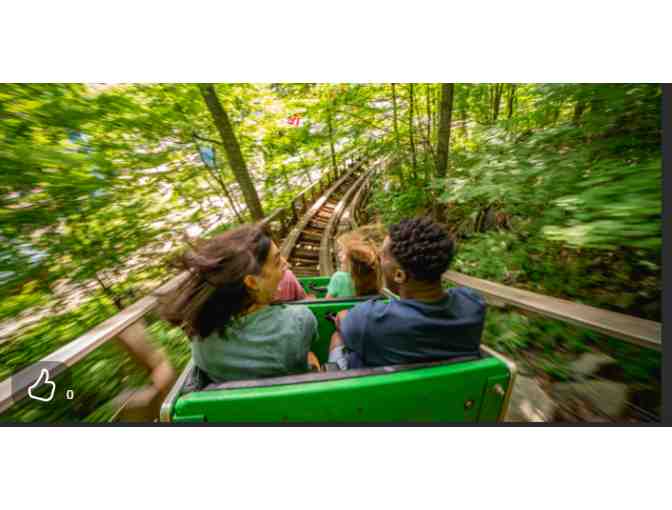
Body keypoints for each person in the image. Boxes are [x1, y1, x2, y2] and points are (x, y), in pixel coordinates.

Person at [159, 224, 320, 382]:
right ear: (252, 282)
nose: (286, 265)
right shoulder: (299, 320)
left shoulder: (199, 340)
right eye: (277, 262)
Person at [327, 217, 486, 369]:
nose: (379, 260)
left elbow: (342, 320)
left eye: (382, 256)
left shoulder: (369, 319)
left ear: (399, 275)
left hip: (381, 384)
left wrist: (343, 316)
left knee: (337, 337)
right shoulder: (473, 305)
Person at [325, 232, 381, 299]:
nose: (339, 255)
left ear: (352, 258)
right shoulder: (374, 275)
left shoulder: (339, 277)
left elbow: (327, 302)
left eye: (341, 251)